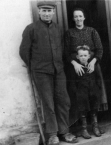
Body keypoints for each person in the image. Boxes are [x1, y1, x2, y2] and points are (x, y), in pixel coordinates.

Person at [19, 1, 78, 145]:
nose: (46, 13)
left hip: (58, 70)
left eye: (49, 11)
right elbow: (24, 51)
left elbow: (63, 49)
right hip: (41, 72)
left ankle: (64, 131)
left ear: (53, 12)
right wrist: (34, 66)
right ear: (39, 12)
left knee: (63, 101)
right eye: (43, 11)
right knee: (48, 103)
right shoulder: (31, 29)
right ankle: (52, 135)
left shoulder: (58, 28)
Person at [64, 8, 108, 133]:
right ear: (73, 19)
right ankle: (83, 127)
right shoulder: (69, 33)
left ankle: (95, 125)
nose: (78, 18)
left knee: (94, 94)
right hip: (76, 68)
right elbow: (66, 53)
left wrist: (93, 62)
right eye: (76, 16)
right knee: (80, 96)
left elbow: (99, 49)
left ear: (84, 17)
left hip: (92, 66)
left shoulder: (92, 31)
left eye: (80, 16)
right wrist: (74, 63)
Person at [71, 45, 102, 139]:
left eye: (85, 55)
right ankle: (84, 129)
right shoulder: (75, 68)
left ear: (89, 56)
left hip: (93, 91)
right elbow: (72, 82)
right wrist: (76, 92)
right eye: (81, 56)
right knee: (82, 109)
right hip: (81, 92)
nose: (83, 57)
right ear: (77, 57)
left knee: (94, 107)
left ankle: (95, 126)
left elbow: (98, 78)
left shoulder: (93, 66)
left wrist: (98, 89)